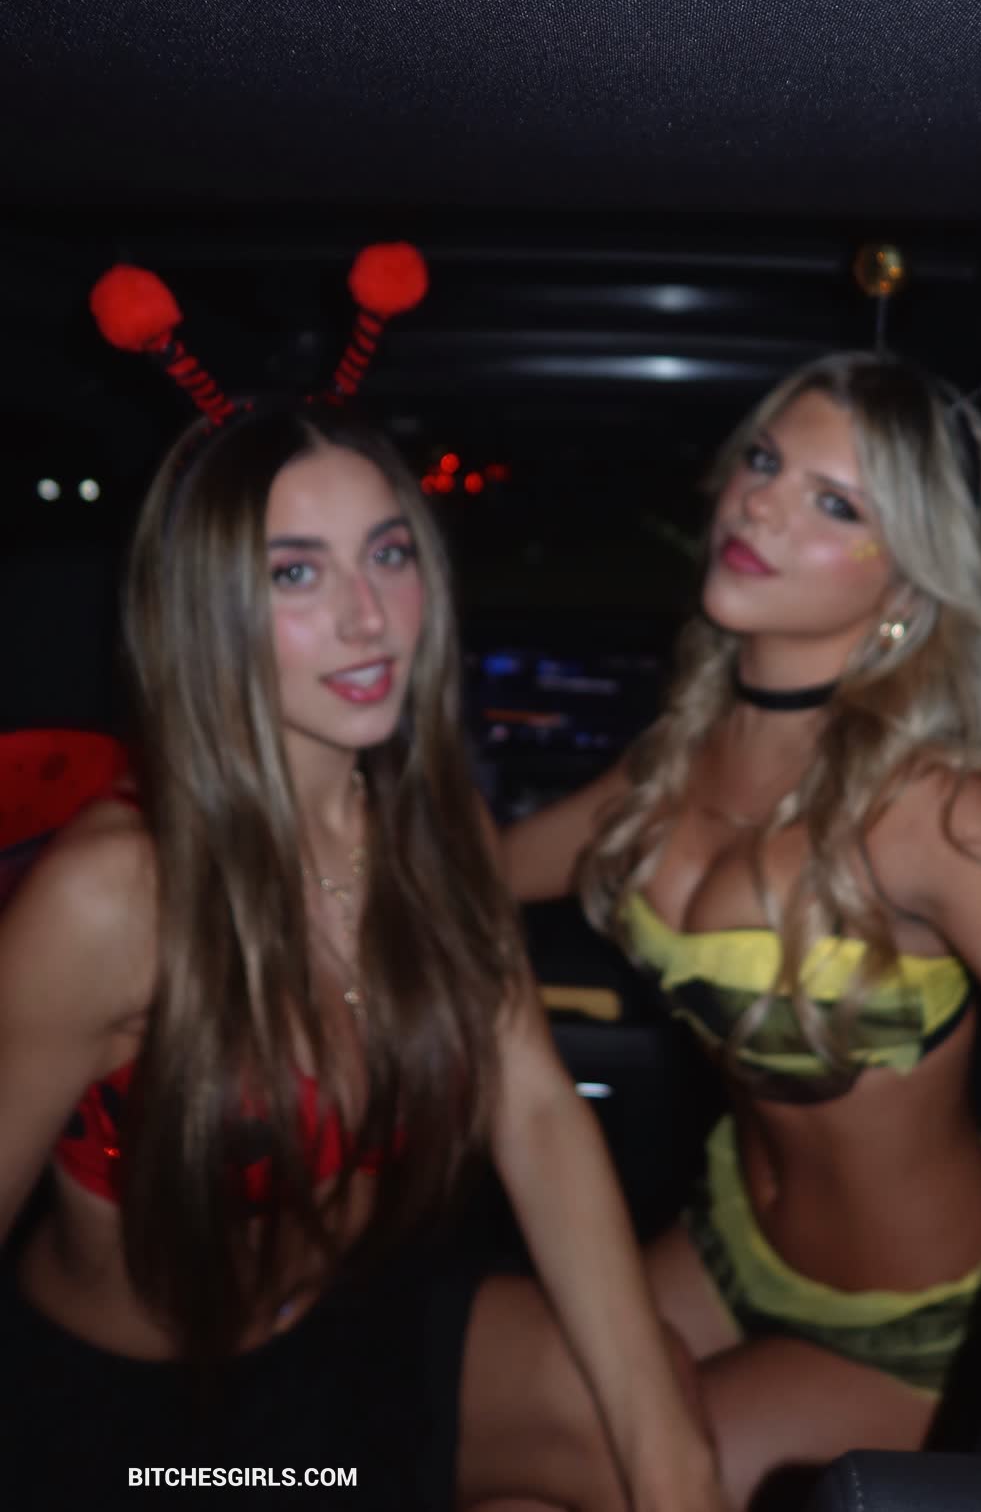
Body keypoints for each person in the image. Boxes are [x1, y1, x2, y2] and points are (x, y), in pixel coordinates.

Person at [0, 401, 719, 1511]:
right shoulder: (114, 896)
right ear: (205, 609)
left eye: (387, 555)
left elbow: (535, 1109)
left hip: (357, 1328)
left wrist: (677, 1467)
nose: (368, 616)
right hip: (143, 1416)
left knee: (649, 1412)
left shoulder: (437, 825)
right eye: (295, 573)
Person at [503, 351, 981, 1510]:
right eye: (764, 460)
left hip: (912, 1326)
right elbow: (476, 874)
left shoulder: (942, 814)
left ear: (908, 581)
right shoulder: (675, 758)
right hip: (724, 1243)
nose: (761, 503)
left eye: (836, 504)